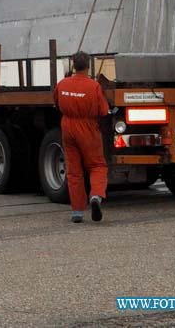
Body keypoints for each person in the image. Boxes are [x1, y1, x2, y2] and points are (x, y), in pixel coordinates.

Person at [53, 51, 110, 223]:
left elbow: (56, 103)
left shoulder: (62, 84)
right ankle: (96, 196)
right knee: (97, 165)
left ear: (73, 65)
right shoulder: (93, 86)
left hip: (68, 127)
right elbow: (103, 110)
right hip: (88, 128)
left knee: (74, 171)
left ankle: (77, 211)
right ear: (88, 66)